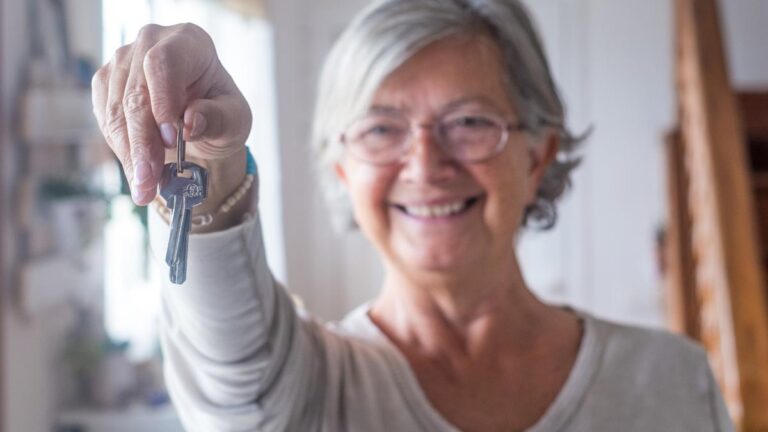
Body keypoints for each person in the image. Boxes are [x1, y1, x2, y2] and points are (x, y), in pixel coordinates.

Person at [91, 0, 733, 431]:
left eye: (470, 122)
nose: (425, 164)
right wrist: (207, 163)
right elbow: (229, 362)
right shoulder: (304, 389)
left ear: (538, 155)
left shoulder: (674, 380)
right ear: (342, 168)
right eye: (381, 129)